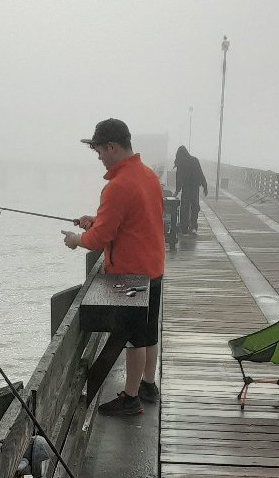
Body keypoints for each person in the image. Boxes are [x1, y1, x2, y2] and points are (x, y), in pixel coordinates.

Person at [61, 118, 164, 416]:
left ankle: (130, 399)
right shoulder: (147, 176)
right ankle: (147, 385)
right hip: (153, 269)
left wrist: (77, 238)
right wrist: (95, 221)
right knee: (148, 334)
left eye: (99, 151)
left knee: (133, 339)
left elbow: (100, 239)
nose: (99, 158)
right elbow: (132, 221)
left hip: (131, 274)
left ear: (112, 147)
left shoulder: (118, 186)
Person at [174, 145, 208, 235]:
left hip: (186, 189)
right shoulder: (194, 160)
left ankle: (184, 227)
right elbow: (200, 173)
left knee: (184, 208)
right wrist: (205, 186)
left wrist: (177, 190)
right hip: (194, 188)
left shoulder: (181, 162)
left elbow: (179, 178)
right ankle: (193, 227)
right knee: (195, 207)